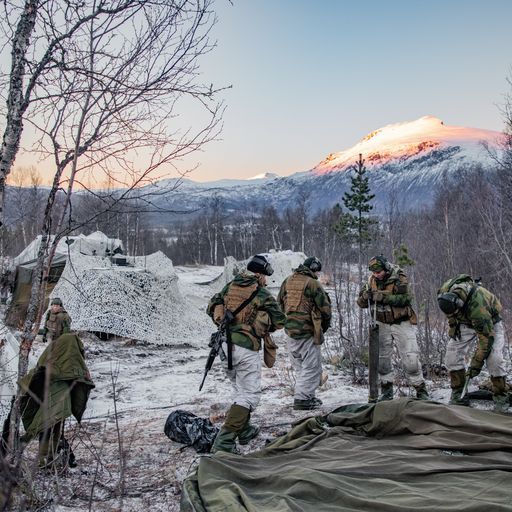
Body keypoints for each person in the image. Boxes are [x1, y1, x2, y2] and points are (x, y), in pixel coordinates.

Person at [206, 254, 286, 453]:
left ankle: (245, 429)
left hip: (224, 347)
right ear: (259, 274)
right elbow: (280, 320)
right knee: (249, 396)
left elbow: (211, 306)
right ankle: (224, 441)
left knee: (239, 391)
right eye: (265, 276)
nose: (265, 280)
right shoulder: (261, 293)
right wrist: (262, 322)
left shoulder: (230, 286)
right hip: (245, 348)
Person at [356, 255, 429, 401]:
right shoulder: (370, 281)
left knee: (411, 359)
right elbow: (361, 303)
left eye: (379, 272)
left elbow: (406, 298)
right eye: (374, 272)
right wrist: (365, 296)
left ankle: (420, 389)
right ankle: (386, 390)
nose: (376, 275)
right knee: (382, 360)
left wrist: (384, 298)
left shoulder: (398, 277)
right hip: (381, 323)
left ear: (385, 268)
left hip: (400, 322)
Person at [19, 333, 94, 468]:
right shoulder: (70, 357)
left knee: (48, 428)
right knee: (50, 429)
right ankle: (46, 461)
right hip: (56, 397)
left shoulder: (51, 353)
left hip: (44, 395)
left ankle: (48, 460)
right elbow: (77, 375)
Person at [437, 274, 508, 412]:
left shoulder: (478, 305)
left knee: (495, 360)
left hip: (490, 323)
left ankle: (501, 397)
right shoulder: (444, 293)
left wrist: (475, 365)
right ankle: (459, 394)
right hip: (464, 322)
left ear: (460, 304)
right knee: (452, 357)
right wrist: (453, 326)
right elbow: (451, 315)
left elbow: (486, 340)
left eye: (456, 311)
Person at [278, 257, 332, 410]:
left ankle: (308, 396)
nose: (318, 274)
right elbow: (325, 309)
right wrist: (322, 328)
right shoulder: (313, 283)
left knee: (301, 367)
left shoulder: (287, 281)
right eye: (317, 271)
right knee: (311, 368)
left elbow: (279, 304)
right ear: (314, 269)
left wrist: (288, 322)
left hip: (290, 332)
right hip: (308, 331)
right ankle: (302, 399)